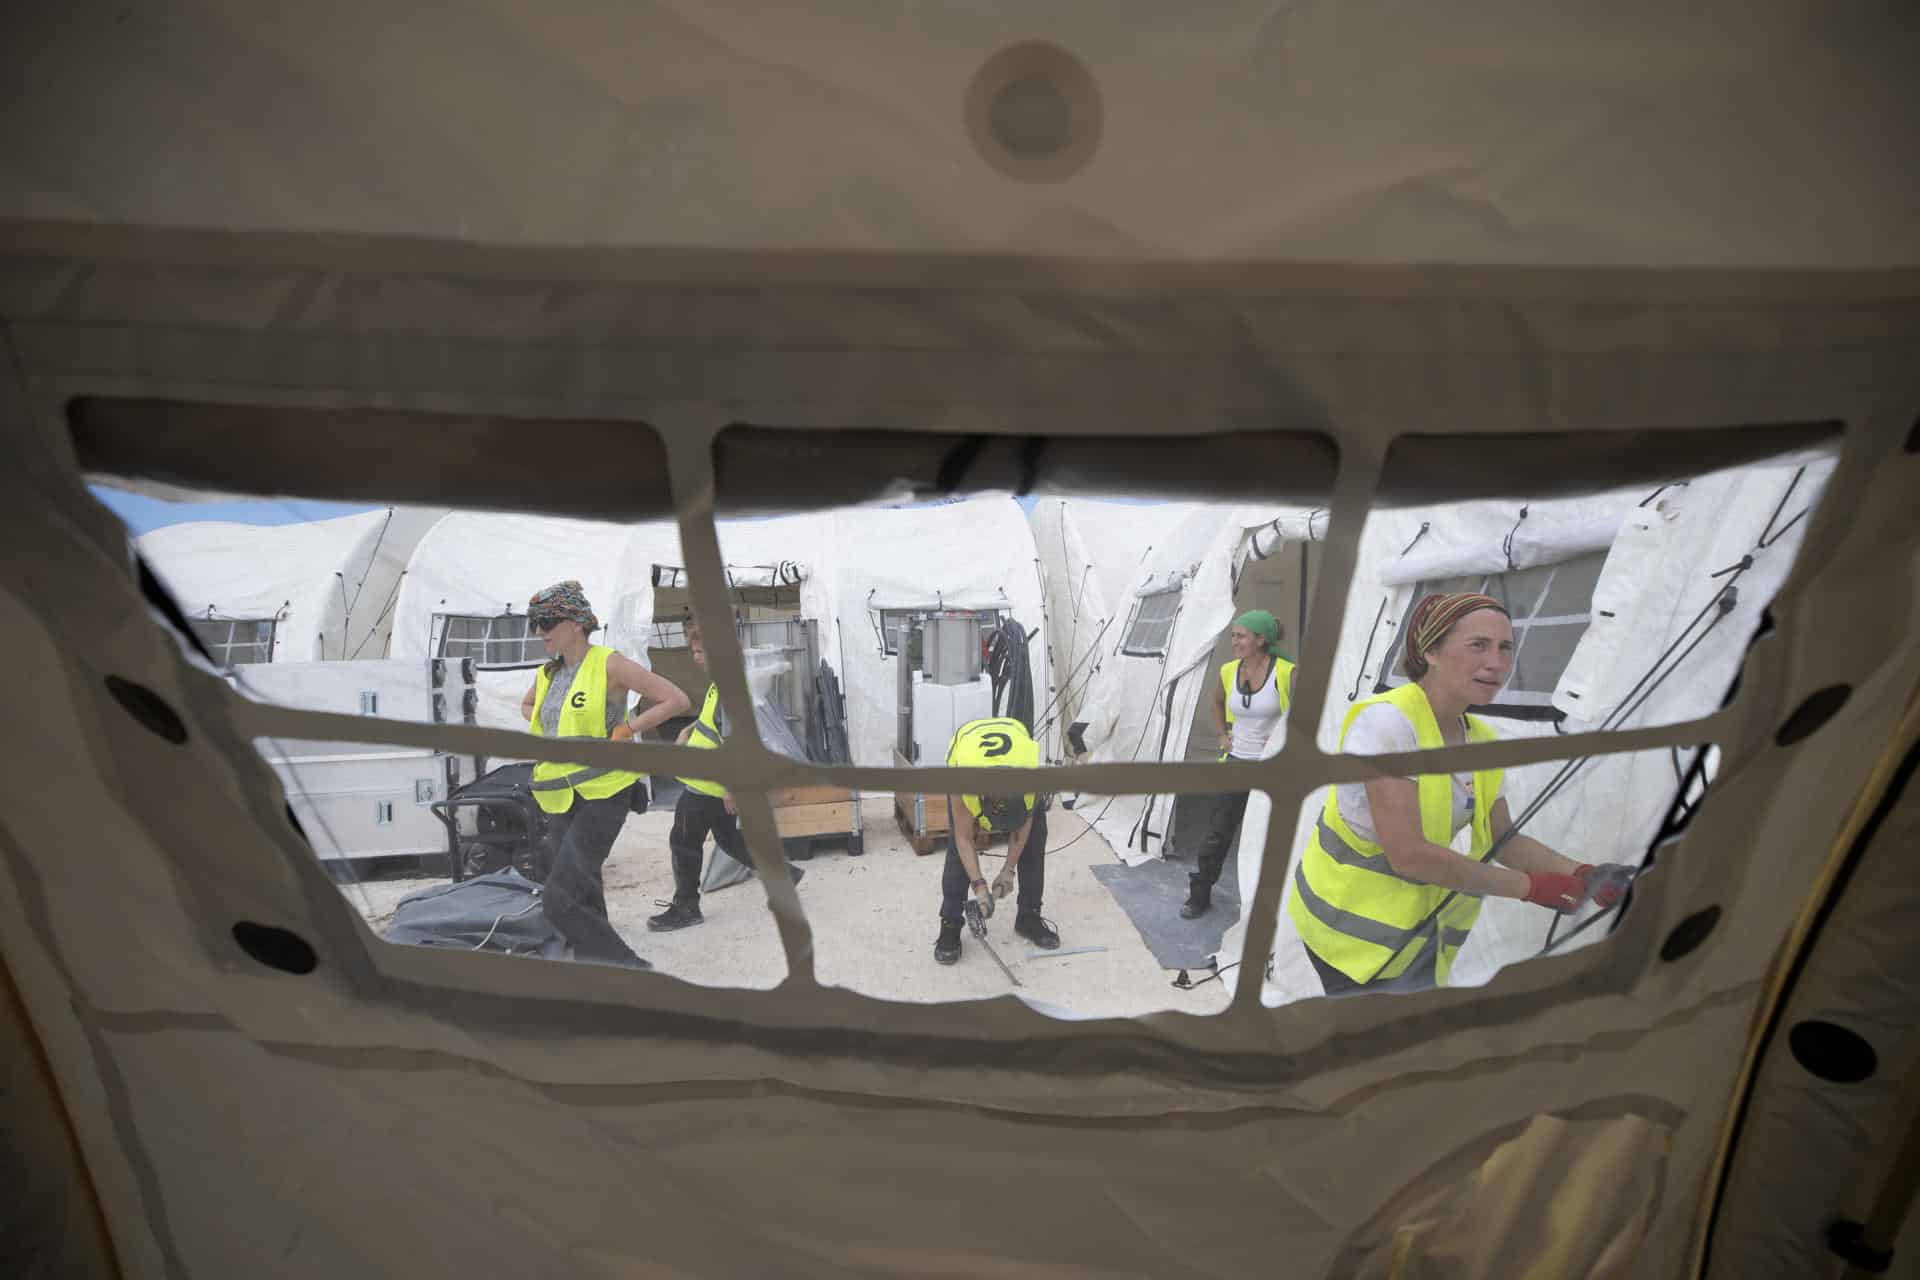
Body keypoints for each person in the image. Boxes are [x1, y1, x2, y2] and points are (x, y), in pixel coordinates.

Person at [1286, 591, 1635, 996]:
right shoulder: (1388, 724)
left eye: (1506, 648)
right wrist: (1531, 888)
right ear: (1431, 652)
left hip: (1412, 937)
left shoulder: (1481, 740)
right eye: (1478, 645)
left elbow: (1505, 839)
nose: (1496, 663)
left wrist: (1581, 874)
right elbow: (1408, 855)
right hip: (1347, 935)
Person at [517, 580, 690, 969]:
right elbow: (527, 706)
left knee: (559, 899)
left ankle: (631, 969)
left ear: (576, 622)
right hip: (558, 795)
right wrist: (554, 728)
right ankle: (599, 967)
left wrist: (626, 729)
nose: (539, 631)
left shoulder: (608, 664)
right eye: (534, 623)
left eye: (547, 622)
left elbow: (676, 699)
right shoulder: (548, 674)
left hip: (604, 793)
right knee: (584, 888)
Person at [647, 617, 804, 932]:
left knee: (683, 841)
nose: (696, 658)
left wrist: (732, 789)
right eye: (694, 651)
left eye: (701, 652)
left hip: (709, 785)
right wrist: (689, 730)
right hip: (712, 783)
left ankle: (686, 906)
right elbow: (717, 723)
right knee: (731, 841)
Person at [1180, 610, 1297, 919]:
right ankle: (1199, 895)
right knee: (1217, 833)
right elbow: (1216, 701)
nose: (1234, 641)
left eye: (1241, 636)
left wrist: (1283, 743)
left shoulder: (1286, 673)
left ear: (1261, 639)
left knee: (1267, 837)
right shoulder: (1228, 671)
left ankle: (1269, 903)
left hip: (1272, 770)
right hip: (1235, 763)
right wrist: (1221, 734)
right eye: (1233, 635)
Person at [934, 717, 1060, 965]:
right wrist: (980, 886)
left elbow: (1023, 829)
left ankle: (1029, 916)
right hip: (968, 746)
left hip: (1013, 738)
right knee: (957, 851)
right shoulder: (962, 778)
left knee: (1035, 836)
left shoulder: (1030, 779)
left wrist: (1008, 871)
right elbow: (964, 838)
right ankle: (950, 923)